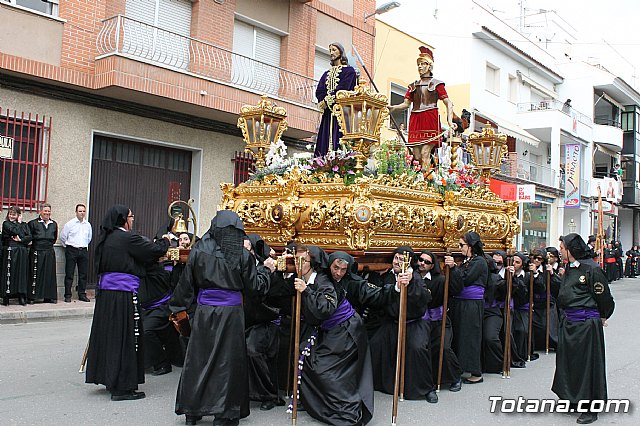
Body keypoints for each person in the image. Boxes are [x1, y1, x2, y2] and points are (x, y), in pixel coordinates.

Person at [170, 211, 274, 426]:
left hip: (205, 312)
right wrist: (265, 270)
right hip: (230, 315)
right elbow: (255, 288)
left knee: (199, 360)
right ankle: (223, 413)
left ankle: (193, 412)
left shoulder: (198, 251)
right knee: (227, 363)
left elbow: (186, 286)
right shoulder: (241, 255)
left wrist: (181, 309)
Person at [85, 205, 170, 401]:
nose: (132, 220)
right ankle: (122, 387)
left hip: (107, 297)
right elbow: (152, 251)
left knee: (110, 336)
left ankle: (109, 377)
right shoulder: (125, 237)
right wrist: (165, 241)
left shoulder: (107, 238)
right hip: (123, 296)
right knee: (126, 337)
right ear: (123, 219)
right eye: (131, 217)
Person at [294, 251, 390, 425]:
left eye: (343, 269)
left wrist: (398, 287)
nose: (338, 273)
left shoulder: (352, 281)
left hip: (348, 330)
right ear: (329, 264)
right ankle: (316, 402)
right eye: (335, 268)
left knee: (326, 369)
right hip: (330, 330)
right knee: (313, 361)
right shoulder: (323, 277)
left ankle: (348, 408)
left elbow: (377, 295)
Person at [553, 233, 614, 425]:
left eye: (562, 248)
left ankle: (590, 407)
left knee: (587, 366)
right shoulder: (569, 268)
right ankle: (573, 399)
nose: (560, 251)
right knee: (570, 364)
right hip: (570, 323)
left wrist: (602, 316)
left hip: (586, 324)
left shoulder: (592, 269)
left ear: (571, 249)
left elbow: (604, 297)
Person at [370, 246, 434, 402]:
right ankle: (385, 384)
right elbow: (381, 297)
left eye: (401, 259)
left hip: (413, 323)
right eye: (395, 258)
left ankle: (427, 389)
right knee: (375, 344)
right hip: (392, 322)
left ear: (409, 261)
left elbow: (424, 297)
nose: (397, 262)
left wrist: (411, 283)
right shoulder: (388, 276)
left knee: (417, 348)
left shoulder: (416, 277)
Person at [388, 46, 456, 170]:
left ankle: (425, 182)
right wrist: (393, 108)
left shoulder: (437, 84)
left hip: (430, 118)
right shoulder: (413, 85)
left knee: (425, 152)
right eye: (418, 64)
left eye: (423, 64)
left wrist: (450, 121)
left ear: (429, 66)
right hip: (416, 119)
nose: (419, 67)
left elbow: (448, 103)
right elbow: (406, 104)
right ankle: (424, 176)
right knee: (416, 155)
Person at [444, 231, 488, 384]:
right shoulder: (468, 260)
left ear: (471, 246)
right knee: (460, 336)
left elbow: (465, 279)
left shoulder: (480, 262)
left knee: (470, 337)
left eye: (462, 245)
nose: (460, 248)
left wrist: (454, 268)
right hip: (461, 303)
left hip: (471, 305)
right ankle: (460, 367)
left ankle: (476, 372)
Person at [418, 250, 463, 393]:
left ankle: (456, 377)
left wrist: (454, 269)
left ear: (432, 266)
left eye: (427, 262)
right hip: (419, 322)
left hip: (439, 320)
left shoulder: (440, 280)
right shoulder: (412, 277)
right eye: (421, 260)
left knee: (443, 348)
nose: (422, 263)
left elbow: (456, 289)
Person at [314, 42, 358, 157]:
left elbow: (345, 87)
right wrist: (323, 101)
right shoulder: (326, 74)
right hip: (328, 113)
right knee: (324, 138)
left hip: (342, 113)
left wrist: (330, 99)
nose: (331, 52)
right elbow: (319, 90)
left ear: (341, 51)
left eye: (334, 50)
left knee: (339, 138)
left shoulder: (349, 71)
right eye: (330, 50)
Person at [60, 204, 92, 302]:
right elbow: (63, 236)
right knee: (69, 273)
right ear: (76, 212)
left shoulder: (87, 225)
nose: (82, 213)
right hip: (72, 250)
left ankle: (82, 294)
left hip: (83, 250)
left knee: (83, 274)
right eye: (80, 211)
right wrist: (69, 247)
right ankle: (67, 295)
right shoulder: (70, 224)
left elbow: (89, 238)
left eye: (83, 211)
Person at [532, 247, 562, 351]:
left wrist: (552, 274)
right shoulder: (528, 269)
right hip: (534, 302)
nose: (536, 261)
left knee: (548, 326)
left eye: (539, 259)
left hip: (547, 301)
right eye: (534, 258)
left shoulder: (546, 270)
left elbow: (552, 286)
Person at [28, 203, 58, 303]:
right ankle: (32, 297)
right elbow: (29, 237)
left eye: (48, 211)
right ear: (40, 211)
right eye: (45, 211)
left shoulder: (54, 224)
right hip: (37, 251)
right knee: (35, 274)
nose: (47, 213)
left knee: (49, 274)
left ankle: (48, 297)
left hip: (49, 251)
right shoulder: (33, 223)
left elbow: (54, 238)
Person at [1, 206, 32, 306]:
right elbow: (14, 231)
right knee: (9, 272)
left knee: (21, 273)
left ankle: (21, 295)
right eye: (10, 214)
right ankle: (6, 296)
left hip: (21, 251)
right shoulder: (6, 223)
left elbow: (29, 236)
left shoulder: (24, 224)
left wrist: (21, 239)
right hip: (10, 250)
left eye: (14, 214)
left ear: (18, 215)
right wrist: (20, 231)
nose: (11, 216)